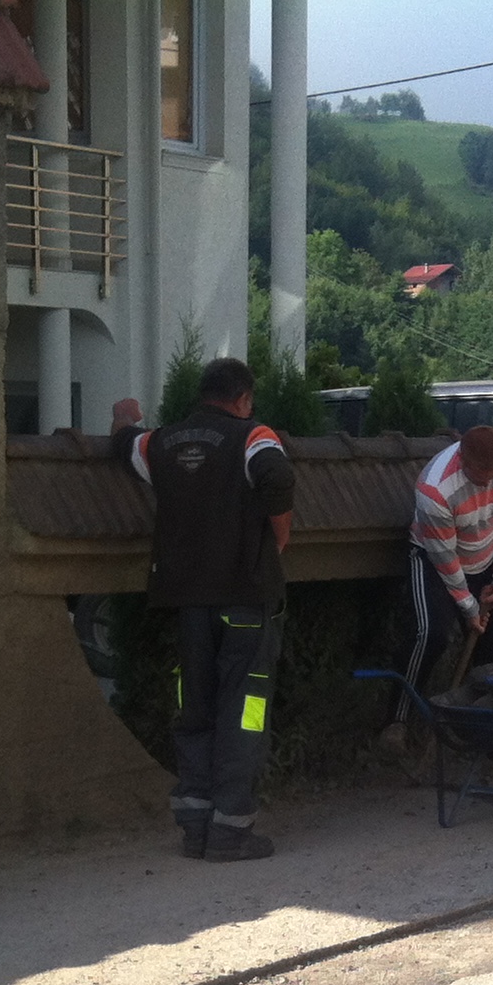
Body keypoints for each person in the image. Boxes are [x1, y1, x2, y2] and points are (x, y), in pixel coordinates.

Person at [108, 357, 296, 861]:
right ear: (242, 399)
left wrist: (124, 419)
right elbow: (276, 476)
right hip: (246, 602)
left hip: (188, 604)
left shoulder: (163, 442)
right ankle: (231, 828)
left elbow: (126, 445)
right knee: (246, 712)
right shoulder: (253, 435)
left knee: (194, 706)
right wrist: (278, 535)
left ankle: (194, 824)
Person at [407, 423, 493, 691]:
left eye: (492, 475)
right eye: (479, 476)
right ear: (462, 459)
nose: (487, 483)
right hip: (435, 561)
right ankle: (400, 718)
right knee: (431, 635)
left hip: (485, 556)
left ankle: (486, 718)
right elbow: (445, 558)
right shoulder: (435, 490)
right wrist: (470, 608)